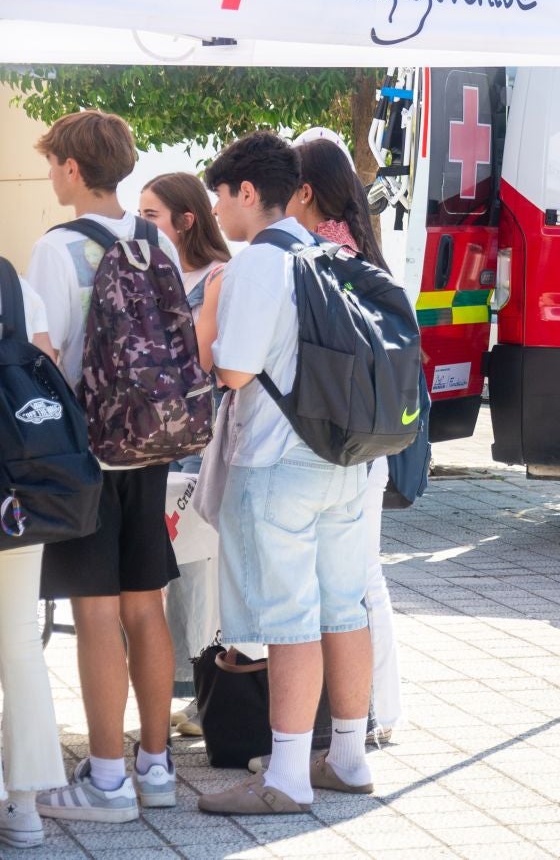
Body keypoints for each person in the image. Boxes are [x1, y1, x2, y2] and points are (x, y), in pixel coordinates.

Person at [195, 132, 376, 813]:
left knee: (290, 620)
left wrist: (210, 325)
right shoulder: (326, 251)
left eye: (220, 196)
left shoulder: (255, 265)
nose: (217, 212)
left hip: (274, 459)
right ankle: (349, 758)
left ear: (248, 192)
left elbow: (235, 370)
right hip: (340, 457)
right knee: (342, 606)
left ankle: (287, 777)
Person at [27, 111, 182, 825]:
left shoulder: (57, 249)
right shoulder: (157, 239)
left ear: (72, 169)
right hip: (151, 444)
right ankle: (154, 768)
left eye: (55, 162)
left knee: (94, 613)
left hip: (89, 453)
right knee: (145, 605)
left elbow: (46, 352)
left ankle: (107, 782)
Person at [285, 136, 404, 739]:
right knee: (363, 579)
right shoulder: (360, 247)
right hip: (371, 440)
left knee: (354, 584)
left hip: (341, 443)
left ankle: (376, 711)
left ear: (303, 191)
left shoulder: (318, 256)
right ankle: (378, 710)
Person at [137, 172, 233, 738]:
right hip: (155, 439)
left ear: (185, 219)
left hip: (197, 439)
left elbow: (197, 359)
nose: (141, 225)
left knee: (196, 567)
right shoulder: (151, 272)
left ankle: (204, 692)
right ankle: (170, 687)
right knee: (161, 570)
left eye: (151, 216)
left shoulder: (218, 275)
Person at [0, 271, 67, 848]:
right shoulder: (15, 284)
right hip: (21, 490)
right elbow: (45, 378)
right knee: (19, 640)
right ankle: (24, 807)